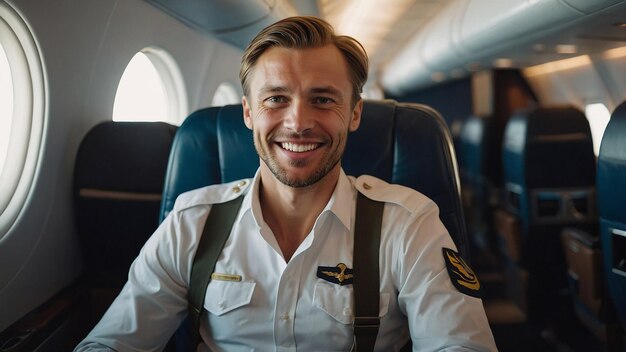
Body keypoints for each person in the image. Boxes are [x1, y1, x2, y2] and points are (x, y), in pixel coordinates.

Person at [76, 16, 497, 351]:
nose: (297, 123)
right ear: (248, 113)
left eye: (323, 99)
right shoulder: (192, 223)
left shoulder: (409, 225)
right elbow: (114, 342)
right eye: (276, 98)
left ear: (353, 113)